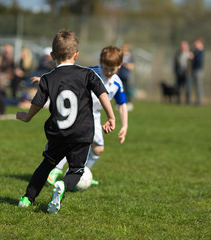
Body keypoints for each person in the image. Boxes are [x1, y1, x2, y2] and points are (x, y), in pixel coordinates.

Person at [16, 29, 115, 214]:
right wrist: (111, 116)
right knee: (76, 170)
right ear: (77, 55)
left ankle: (27, 198)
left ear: (52, 55)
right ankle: (62, 185)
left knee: (46, 165)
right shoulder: (87, 74)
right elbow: (102, 92)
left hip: (58, 132)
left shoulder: (47, 78)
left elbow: (38, 102)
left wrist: (27, 117)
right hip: (82, 133)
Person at [46, 46, 128, 186]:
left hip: (94, 116)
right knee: (72, 142)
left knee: (98, 149)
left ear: (119, 66)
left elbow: (121, 105)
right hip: (79, 112)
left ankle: (83, 174)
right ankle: (56, 169)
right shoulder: (89, 73)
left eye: (112, 69)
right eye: (106, 68)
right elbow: (67, 76)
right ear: (101, 62)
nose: (108, 72)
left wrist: (125, 125)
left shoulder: (117, 83)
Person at [118, 43, 134, 111]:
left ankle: (129, 103)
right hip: (119, 75)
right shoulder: (120, 55)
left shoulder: (130, 56)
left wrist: (124, 63)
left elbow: (131, 66)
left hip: (126, 75)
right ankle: (119, 103)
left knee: (127, 90)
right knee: (119, 89)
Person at [191, 38, 205, 105]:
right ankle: (197, 101)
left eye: (196, 43)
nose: (195, 44)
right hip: (195, 70)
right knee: (196, 87)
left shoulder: (200, 52)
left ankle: (199, 101)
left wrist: (193, 58)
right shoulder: (196, 51)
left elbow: (199, 61)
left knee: (199, 86)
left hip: (198, 71)